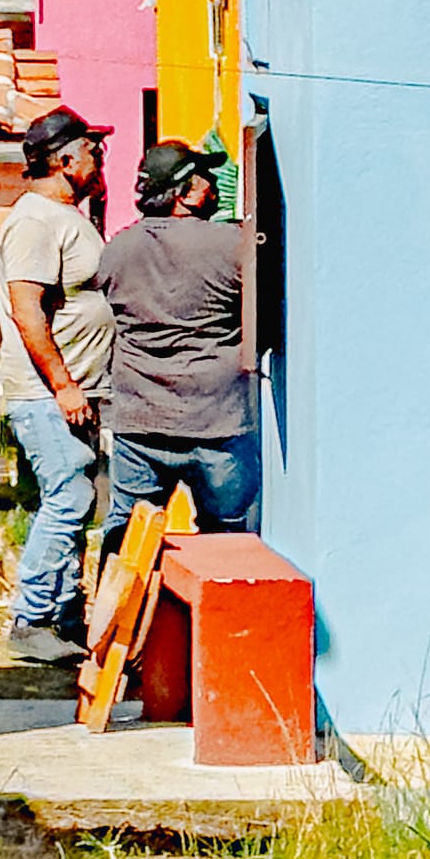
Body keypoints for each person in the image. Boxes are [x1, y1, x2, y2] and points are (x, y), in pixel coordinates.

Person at [93, 140, 256, 557]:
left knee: (129, 538)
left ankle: (115, 602)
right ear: (185, 193)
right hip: (217, 422)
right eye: (205, 178)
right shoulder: (234, 246)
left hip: (140, 421)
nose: (213, 186)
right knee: (227, 541)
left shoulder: (117, 249)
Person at [0, 106, 113, 664]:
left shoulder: (65, 215)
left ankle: (64, 618)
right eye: (90, 150)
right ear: (64, 160)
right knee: (67, 499)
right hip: (47, 394)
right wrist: (63, 385)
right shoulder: (36, 222)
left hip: (72, 393)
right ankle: (31, 619)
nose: (98, 158)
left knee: (77, 502)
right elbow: (27, 310)